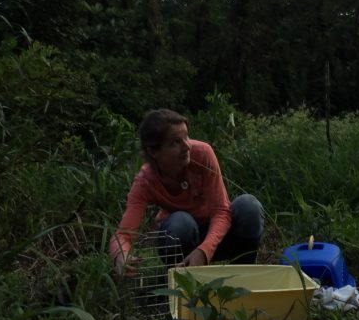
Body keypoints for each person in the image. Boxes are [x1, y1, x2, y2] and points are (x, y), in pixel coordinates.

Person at [110, 109, 263, 275]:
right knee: (180, 222)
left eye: (186, 137)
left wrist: (204, 251)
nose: (187, 146)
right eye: (176, 142)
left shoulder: (202, 153)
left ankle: (243, 277)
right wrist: (121, 255)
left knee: (249, 206)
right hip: (182, 239)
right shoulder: (145, 182)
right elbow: (123, 235)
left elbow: (221, 211)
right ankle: (182, 283)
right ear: (153, 151)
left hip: (217, 235)